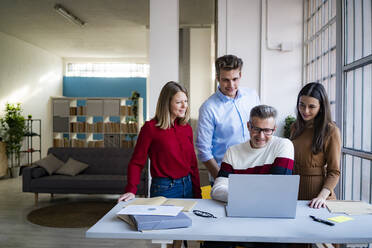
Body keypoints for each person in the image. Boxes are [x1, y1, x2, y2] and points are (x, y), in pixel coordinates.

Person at [118, 81, 201, 202]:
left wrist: (197, 193)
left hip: (188, 186)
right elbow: (137, 162)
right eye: (178, 102)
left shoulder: (186, 128)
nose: (184, 106)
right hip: (165, 189)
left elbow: (193, 164)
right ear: (167, 103)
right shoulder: (150, 128)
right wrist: (131, 190)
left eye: (186, 101)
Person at [196, 54, 260, 183]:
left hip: (254, 172)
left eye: (235, 79)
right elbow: (203, 150)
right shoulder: (208, 108)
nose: (231, 85)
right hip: (225, 175)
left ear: (240, 75)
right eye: (225, 80)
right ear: (217, 78)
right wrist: (221, 178)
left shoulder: (252, 96)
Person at [211, 105, 294, 202]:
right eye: (256, 129)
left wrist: (241, 194)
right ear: (248, 126)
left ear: (274, 129)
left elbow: (280, 188)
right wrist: (250, 196)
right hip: (240, 209)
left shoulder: (283, 145)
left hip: (271, 210)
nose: (261, 136)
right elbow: (217, 190)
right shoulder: (232, 152)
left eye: (267, 130)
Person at [290, 82, 341, 209]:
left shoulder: (331, 131)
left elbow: (334, 171)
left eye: (311, 107)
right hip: (294, 191)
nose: (305, 111)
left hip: (319, 198)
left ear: (321, 107)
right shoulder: (295, 127)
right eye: (302, 105)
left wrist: (322, 196)